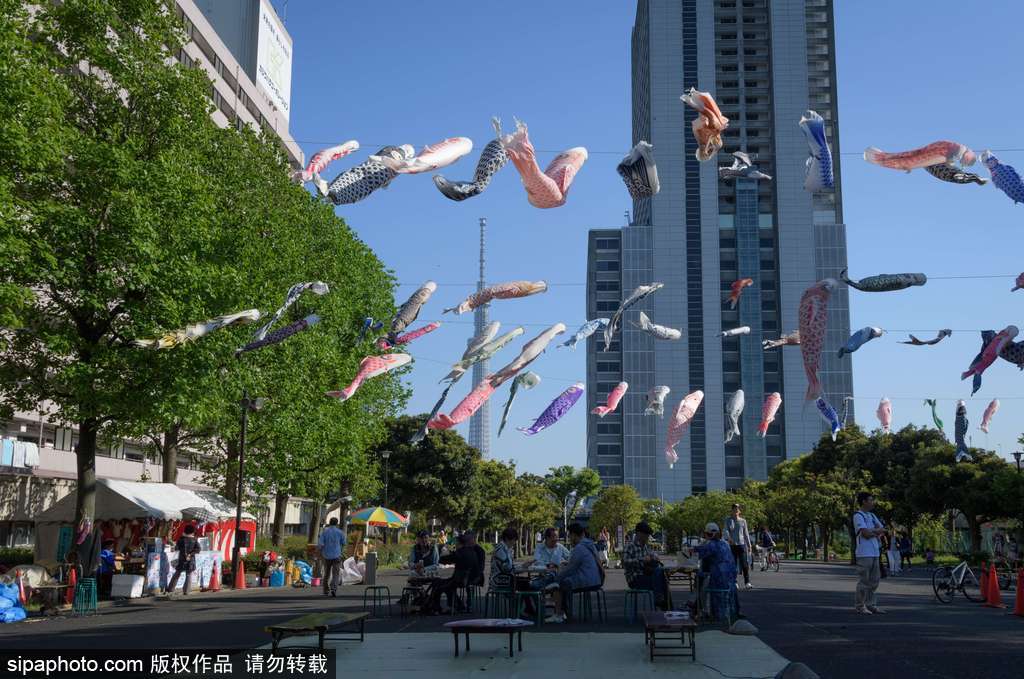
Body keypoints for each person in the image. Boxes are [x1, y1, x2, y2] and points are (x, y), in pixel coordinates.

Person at [547, 522, 602, 623]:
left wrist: (556, 579)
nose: (569, 538)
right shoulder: (590, 544)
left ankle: (559, 614)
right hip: (596, 578)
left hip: (587, 580)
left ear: (574, 535)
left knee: (559, 585)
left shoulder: (579, 548)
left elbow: (570, 569)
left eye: (569, 535)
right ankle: (563, 612)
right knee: (563, 582)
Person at [695, 522, 740, 621]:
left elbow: (697, 553)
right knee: (704, 578)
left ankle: (701, 609)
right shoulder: (725, 544)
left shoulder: (711, 545)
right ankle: (699, 608)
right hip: (731, 580)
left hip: (719, 581)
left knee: (700, 581)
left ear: (707, 534)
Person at [623, 521, 671, 610]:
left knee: (663, 577)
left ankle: (666, 608)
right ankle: (665, 608)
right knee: (661, 578)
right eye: (646, 535)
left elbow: (651, 556)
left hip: (646, 576)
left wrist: (654, 557)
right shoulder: (629, 546)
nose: (647, 537)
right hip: (635, 578)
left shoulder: (645, 546)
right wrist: (642, 560)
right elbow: (625, 562)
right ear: (638, 533)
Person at [853, 491, 886, 615]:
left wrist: (874, 531)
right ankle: (860, 606)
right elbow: (865, 534)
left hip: (875, 552)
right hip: (864, 553)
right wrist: (876, 532)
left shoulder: (872, 516)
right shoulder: (858, 516)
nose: (873, 502)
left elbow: (882, 530)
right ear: (864, 502)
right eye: (871, 500)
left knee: (874, 581)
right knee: (864, 581)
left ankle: (871, 604)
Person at [432, 534, 478, 614]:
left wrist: (441, 556)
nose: (455, 544)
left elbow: (446, 559)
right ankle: (458, 605)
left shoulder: (459, 552)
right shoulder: (473, 552)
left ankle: (437, 608)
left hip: (459, 580)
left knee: (438, 584)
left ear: (460, 543)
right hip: (470, 579)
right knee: (447, 585)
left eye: (456, 543)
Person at [724, 504, 753, 590]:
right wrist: (729, 538)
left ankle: (747, 582)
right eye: (735, 509)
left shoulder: (743, 521)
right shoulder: (728, 520)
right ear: (732, 510)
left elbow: (746, 533)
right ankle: (734, 582)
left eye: (738, 509)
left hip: (741, 545)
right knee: (733, 565)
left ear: (739, 511)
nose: (736, 510)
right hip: (732, 545)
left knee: (744, 564)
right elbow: (725, 530)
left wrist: (749, 545)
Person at [167, 524, 200, 596]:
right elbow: (198, 549)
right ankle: (186, 591)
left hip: (182, 559)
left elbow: (176, 548)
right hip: (190, 559)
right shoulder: (194, 540)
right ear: (192, 532)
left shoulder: (181, 539)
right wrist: (190, 554)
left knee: (177, 574)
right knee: (188, 575)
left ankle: (170, 589)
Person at [318, 517, 347, 597]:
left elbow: (320, 544)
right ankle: (333, 589)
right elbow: (344, 543)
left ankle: (326, 590)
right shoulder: (340, 532)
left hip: (326, 555)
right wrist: (341, 551)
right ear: (337, 523)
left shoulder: (325, 532)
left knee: (326, 573)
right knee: (336, 574)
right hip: (337, 555)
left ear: (329, 523)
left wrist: (320, 553)